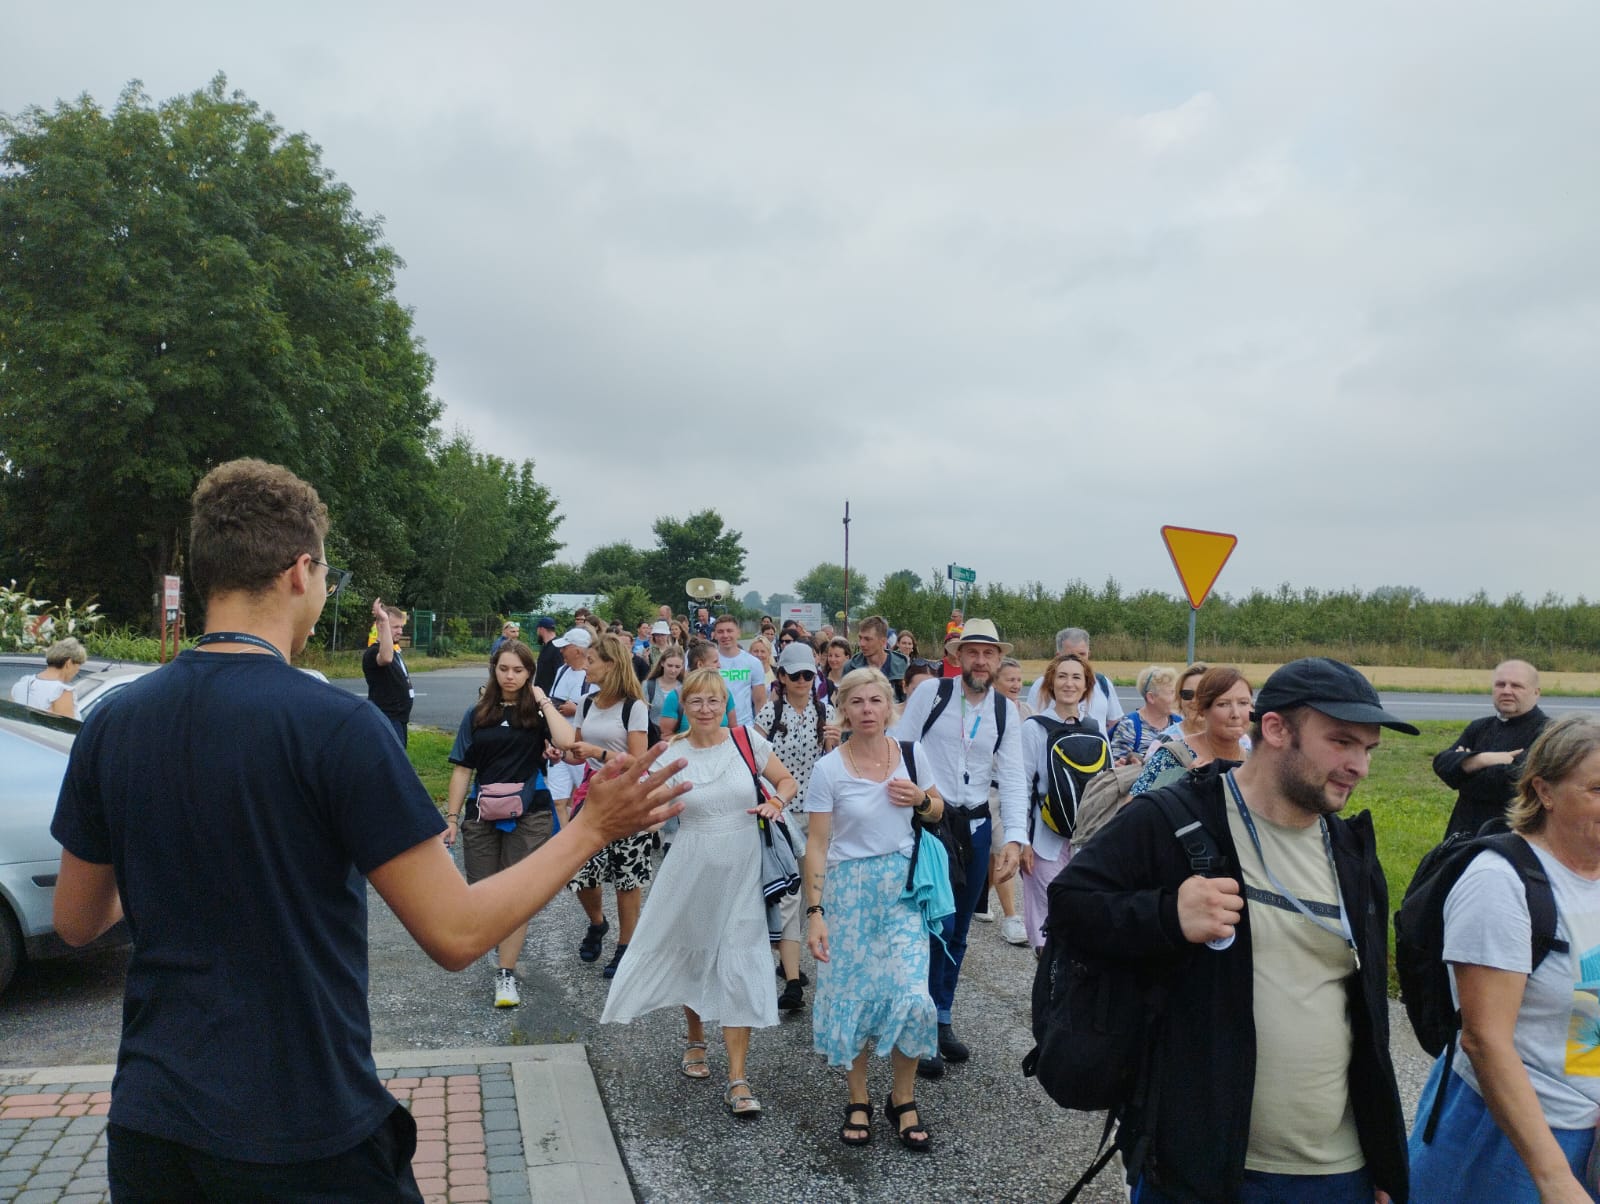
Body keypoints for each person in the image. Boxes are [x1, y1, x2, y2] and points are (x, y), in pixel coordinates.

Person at [49, 458, 687, 1201]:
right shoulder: (337, 726)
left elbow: (76, 919)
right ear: (300, 572)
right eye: (325, 574)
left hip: (152, 1126)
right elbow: (456, 933)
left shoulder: (114, 722)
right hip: (301, 1125)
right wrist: (590, 829)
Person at [1052, 657, 1416, 1203]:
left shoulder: (1350, 849)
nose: (1358, 766)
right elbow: (1068, 904)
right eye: (1342, 742)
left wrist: (1382, 1161)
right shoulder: (1174, 817)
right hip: (1201, 1166)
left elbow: (1367, 1017)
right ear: (1276, 729)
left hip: (1338, 1172)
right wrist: (1166, 917)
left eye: (1369, 749)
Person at [1409, 713, 1600, 1200]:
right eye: (1598, 789)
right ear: (1544, 791)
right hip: (1500, 1137)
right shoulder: (1499, 882)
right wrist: (1555, 1178)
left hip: (1583, 1133)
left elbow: (1589, 1003)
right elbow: (1484, 1040)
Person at [600, 669, 796, 1119]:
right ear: (683, 705)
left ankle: (738, 1078)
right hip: (691, 864)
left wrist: (776, 802)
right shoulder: (671, 752)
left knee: (740, 959)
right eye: (696, 701)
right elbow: (646, 802)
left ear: (725, 704)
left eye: (713, 701)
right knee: (696, 952)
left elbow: (786, 781)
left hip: (744, 868)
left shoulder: (746, 740)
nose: (706, 709)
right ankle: (695, 1037)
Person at [804, 667, 946, 1150]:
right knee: (852, 998)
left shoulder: (912, 753)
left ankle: (902, 1099)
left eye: (875, 701)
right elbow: (817, 845)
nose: (867, 710)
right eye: (857, 702)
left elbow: (939, 808)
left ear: (889, 706)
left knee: (912, 995)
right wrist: (815, 913)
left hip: (902, 890)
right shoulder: (828, 769)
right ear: (844, 710)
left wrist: (921, 798)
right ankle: (859, 1098)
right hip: (848, 893)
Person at [890, 618, 1027, 1079]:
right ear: (958, 656)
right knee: (934, 926)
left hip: (977, 826)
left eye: (989, 653)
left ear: (998, 659)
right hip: (933, 822)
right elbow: (900, 750)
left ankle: (942, 1018)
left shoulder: (1005, 711)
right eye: (973, 652)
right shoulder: (932, 694)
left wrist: (1014, 838)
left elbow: (1013, 776)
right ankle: (920, 1027)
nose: (980, 661)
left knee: (960, 930)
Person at [442, 639, 576, 1007]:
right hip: (482, 812)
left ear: (530, 673)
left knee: (516, 896)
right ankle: (498, 943)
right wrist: (452, 818)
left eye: (518, 670)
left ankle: (506, 973)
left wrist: (543, 700)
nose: (510, 676)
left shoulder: (537, 714)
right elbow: (462, 769)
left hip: (530, 812)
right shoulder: (477, 714)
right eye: (504, 669)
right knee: (482, 894)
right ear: (494, 670)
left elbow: (566, 741)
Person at [755, 641, 842, 1010]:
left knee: (816, 894)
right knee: (791, 896)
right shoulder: (769, 713)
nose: (803, 681)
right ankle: (792, 980)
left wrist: (834, 745)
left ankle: (798, 959)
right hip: (784, 815)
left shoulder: (827, 710)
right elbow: (753, 760)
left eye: (809, 674)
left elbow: (835, 767)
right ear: (782, 677)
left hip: (820, 814)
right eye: (796, 675)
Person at [564, 633, 652, 978]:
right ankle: (598, 923)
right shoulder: (586, 703)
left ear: (611, 665)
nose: (584, 666)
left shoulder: (634, 707)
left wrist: (599, 753)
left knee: (627, 878)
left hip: (628, 797)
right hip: (593, 795)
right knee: (579, 869)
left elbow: (639, 762)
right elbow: (576, 753)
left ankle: (625, 947)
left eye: (591, 660)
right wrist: (562, 754)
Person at [1018, 653, 1101, 952]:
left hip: (1085, 838)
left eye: (1076, 677)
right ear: (1050, 683)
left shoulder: (1094, 727)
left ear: (1086, 685)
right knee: (1047, 913)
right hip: (1044, 837)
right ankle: (1047, 972)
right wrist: (1022, 841)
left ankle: (1066, 974)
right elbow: (1022, 785)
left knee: (1079, 912)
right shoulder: (1034, 728)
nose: (1069, 683)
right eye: (1062, 676)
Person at [1433, 659, 1550, 841]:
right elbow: (1441, 765)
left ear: (1536, 692)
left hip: (1514, 838)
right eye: (1500, 684)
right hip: (1463, 835)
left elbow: (1512, 783)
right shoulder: (1479, 727)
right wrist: (1485, 759)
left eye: (1516, 686)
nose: (1506, 691)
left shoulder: (1548, 733)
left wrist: (1464, 769)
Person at [973, 656, 1030, 945]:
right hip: (989, 790)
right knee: (1000, 849)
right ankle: (1011, 916)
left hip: (1016, 791)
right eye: (1010, 680)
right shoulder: (983, 712)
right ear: (995, 682)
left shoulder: (1028, 712)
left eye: (1019, 680)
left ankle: (980, 899)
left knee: (999, 852)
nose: (1016, 685)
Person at [1130, 666, 1253, 797]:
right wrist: (1184, 784)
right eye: (1223, 704)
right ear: (1203, 709)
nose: (1236, 714)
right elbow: (1135, 805)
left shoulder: (1254, 756)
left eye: (1243, 703)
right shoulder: (1172, 755)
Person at [1025, 627, 1124, 733]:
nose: (1077, 660)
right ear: (1058, 656)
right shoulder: (1042, 685)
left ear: (1089, 654)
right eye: (1070, 655)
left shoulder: (1103, 683)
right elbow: (1031, 721)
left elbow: (1114, 722)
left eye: (1082, 654)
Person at [362, 600, 413, 747]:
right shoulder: (374, 652)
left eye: (401, 627)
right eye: (395, 627)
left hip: (400, 720)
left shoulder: (394, 651)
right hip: (387, 719)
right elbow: (385, 658)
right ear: (380, 625)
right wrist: (384, 620)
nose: (400, 631)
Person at [1110, 665, 1182, 766]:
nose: (1178, 698)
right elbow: (1119, 767)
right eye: (1172, 692)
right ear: (1151, 697)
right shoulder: (1129, 725)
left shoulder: (1179, 723)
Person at [10, 636, 87, 718]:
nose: (77, 670)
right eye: (79, 665)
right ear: (69, 663)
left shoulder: (23, 682)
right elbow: (67, 725)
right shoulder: (62, 692)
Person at [713, 614, 767, 725]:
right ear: (715, 635)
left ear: (738, 632)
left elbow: (760, 700)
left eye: (729, 631)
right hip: (716, 725)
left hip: (745, 725)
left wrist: (759, 729)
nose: (725, 635)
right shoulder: (709, 662)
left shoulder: (753, 662)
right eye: (720, 632)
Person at [845, 615, 909, 701]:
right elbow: (843, 702)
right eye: (860, 638)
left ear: (883, 641)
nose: (861, 644)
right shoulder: (851, 667)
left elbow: (910, 702)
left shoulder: (902, 666)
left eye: (867, 639)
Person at [644, 644, 687, 736]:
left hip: (677, 737)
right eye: (670, 665)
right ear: (662, 663)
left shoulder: (686, 688)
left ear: (682, 666)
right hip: (652, 736)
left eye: (677, 667)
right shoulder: (647, 686)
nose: (673, 670)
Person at [532, 616, 562, 694]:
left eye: (537, 630)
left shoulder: (557, 647)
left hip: (549, 695)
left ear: (541, 629)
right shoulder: (546, 646)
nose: (537, 633)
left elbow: (559, 673)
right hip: (541, 693)